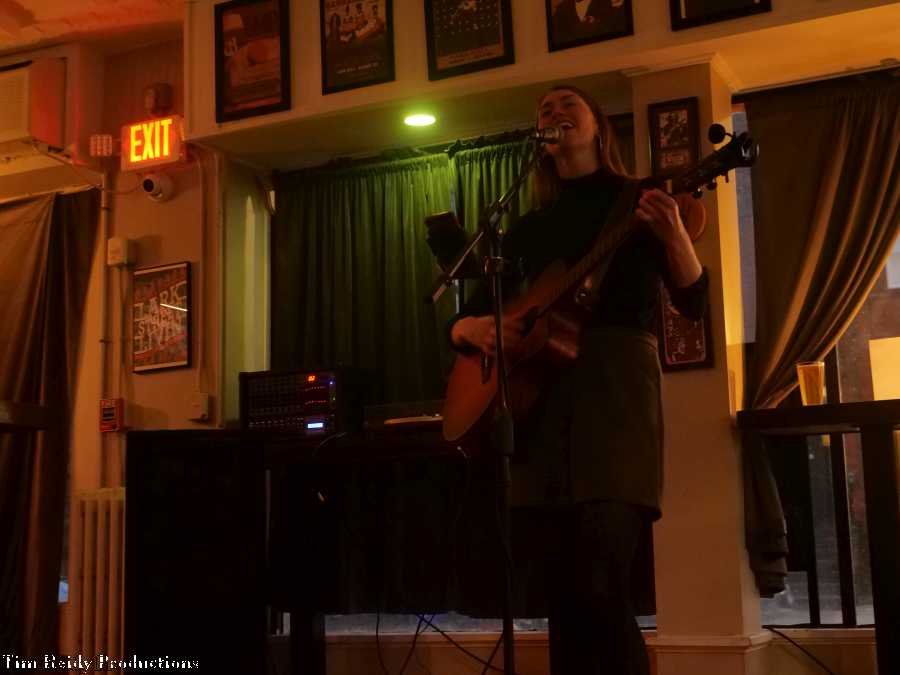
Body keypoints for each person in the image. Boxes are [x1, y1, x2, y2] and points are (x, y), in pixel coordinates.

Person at [447, 85, 708, 675]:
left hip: (616, 398)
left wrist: (673, 235)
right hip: (541, 408)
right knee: (562, 598)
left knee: (602, 584)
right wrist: (470, 327)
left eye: (569, 104)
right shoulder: (527, 228)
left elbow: (694, 300)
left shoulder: (640, 200)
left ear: (598, 126)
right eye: (544, 108)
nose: (554, 112)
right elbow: (471, 318)